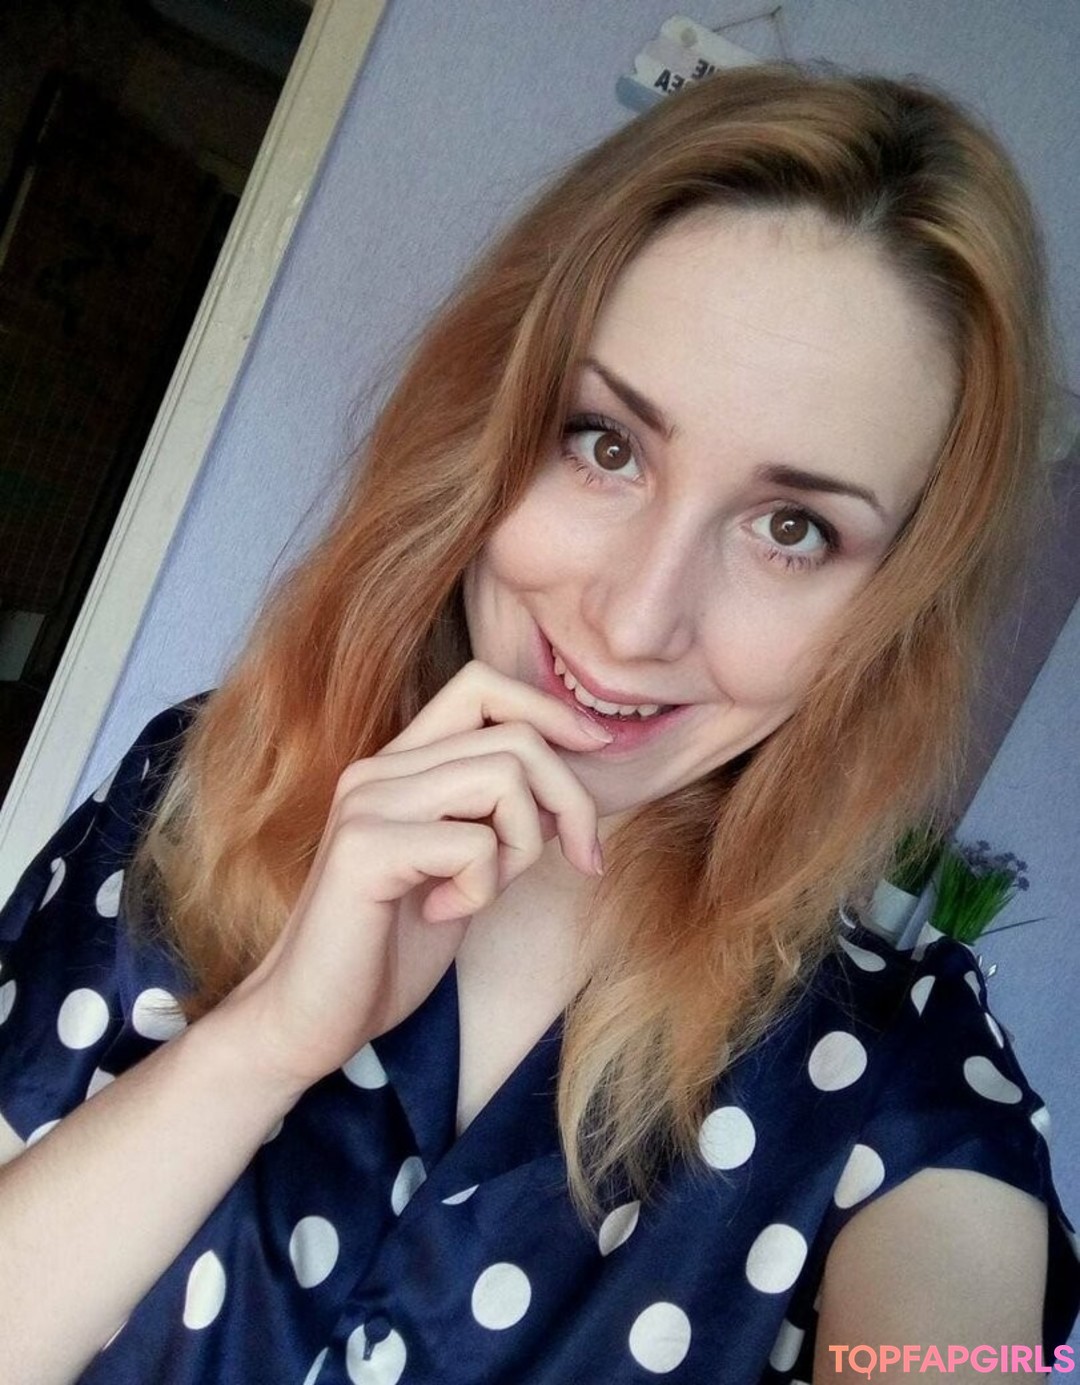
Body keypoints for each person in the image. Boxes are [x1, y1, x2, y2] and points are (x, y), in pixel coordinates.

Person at [0, 59, 1077, 1385]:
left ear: (893, 605)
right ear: (493, 426)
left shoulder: (907, 1086)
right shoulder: (198, 794)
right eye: (605, 443)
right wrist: (266, 1039)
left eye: (794, 528)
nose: (635, 618)